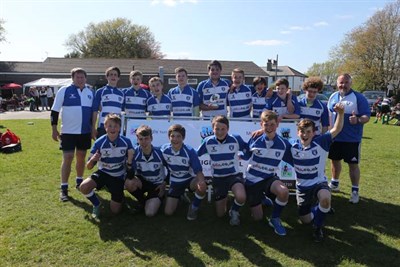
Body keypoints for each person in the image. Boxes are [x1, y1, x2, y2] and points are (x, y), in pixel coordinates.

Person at [290, 103, 345, 242]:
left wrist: (341, 113)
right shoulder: (292, 147)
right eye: (302, 131)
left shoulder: (321, 142)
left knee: (325, 199)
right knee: (305, 220)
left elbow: (337, 129)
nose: (305, 134)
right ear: (298, 133)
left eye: (309, 132)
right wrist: (262, 131)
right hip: (302, 187)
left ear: (314, 133)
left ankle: (318, 227)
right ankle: (319, 209)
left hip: (319, 182)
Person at [244, 110, 292, 235]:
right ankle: (261, 198)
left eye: (272, 124)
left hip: (269, 178)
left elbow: (295, 158)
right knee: (258, 218)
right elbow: (245, 155)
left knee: (284, 191)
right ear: (261, 124)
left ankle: (275, 218)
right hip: (252, 180)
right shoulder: (255, 139)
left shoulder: (284, 144)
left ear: (277, 125)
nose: (269, 128)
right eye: (266, 125)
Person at [51, 67, 94, 201]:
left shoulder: (90, 92)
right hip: (68, 132)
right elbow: (55, 111)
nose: (80, 79)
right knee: (68, 157)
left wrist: (93, 128)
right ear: (73, 78)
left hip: (84, 132)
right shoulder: (64, 90)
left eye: (82, 77)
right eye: (77, 77)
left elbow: (93, 113)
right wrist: (54, 129)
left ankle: (79, 182)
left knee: (81, 157)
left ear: (85, 79)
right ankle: (64, 188)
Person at [79, 114, 134, 219]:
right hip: (103, 173)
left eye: (116, 126)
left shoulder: (126, 142)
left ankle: (119, 194)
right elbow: (89, 166)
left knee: (116, 211)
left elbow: (130, 165)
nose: (113, 128)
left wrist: (130, 160)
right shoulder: (99, 142)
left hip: (118, 176)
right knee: (84, 187)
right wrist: (93, 159)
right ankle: (96, 204)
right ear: (105, 127)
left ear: (120, 127)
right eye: (110, 126)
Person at [197, 115, 248, 226]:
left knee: (241, 197)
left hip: (234, 175)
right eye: (217, 129)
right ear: (213, 129)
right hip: (218, 178)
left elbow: (248, 152)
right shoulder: (208, 141)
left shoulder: (235, 138)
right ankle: (226, 199)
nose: (220, 132)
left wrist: (242, 156)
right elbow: (196, 154)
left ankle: (234, 210)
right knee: (220, 214)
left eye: (223, 129)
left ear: (228, 129)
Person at [327, 73, 370, 204]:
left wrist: (357, 119)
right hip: (335, 137)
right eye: (341, 82)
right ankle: (334, 183)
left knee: (353, 165)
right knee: (334, 161)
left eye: (346, 82)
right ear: (337, 83)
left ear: (351, 83)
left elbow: (367, 116)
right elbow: (328, 114)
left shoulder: (358, 97)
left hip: (352, 139)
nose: (343, 85)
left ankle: (355, 191)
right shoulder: (333, 96)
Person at [160, 124, 207, 220]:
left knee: (202, 185)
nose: (175, 139)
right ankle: (181, 195)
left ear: (183, 138)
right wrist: (164, 182)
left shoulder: (190, 151)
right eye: (172, 136)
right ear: (169, 137)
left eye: (178, 136)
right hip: (175, 182)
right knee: (168, 212)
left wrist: (202, 182)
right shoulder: (163, 150)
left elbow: (198, 171)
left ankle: (194, 206)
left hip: (189, 180)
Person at [124, 125, 167, 217]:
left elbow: (172, 170)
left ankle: (157, 198)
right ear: (137, 140)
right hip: (142, 182)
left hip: (156, 185)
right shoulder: (134, 152)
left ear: (151, 138)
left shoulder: (160, 153)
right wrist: (130, 161)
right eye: (141, 139)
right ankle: (142, 201)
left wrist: (164, 184)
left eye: (146, 138)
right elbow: (130, 176)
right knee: (128, 183)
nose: (143, 142)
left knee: (149, 213)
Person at [92, 66, 124, 139]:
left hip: (117, 127)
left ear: (118, 78)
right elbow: (95, 110)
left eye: (115, 75)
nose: (113, 76)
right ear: (107, 77)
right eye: (111, 74)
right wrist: (93, 127)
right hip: (103, 126)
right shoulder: (100, 91)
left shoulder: (121, 93)